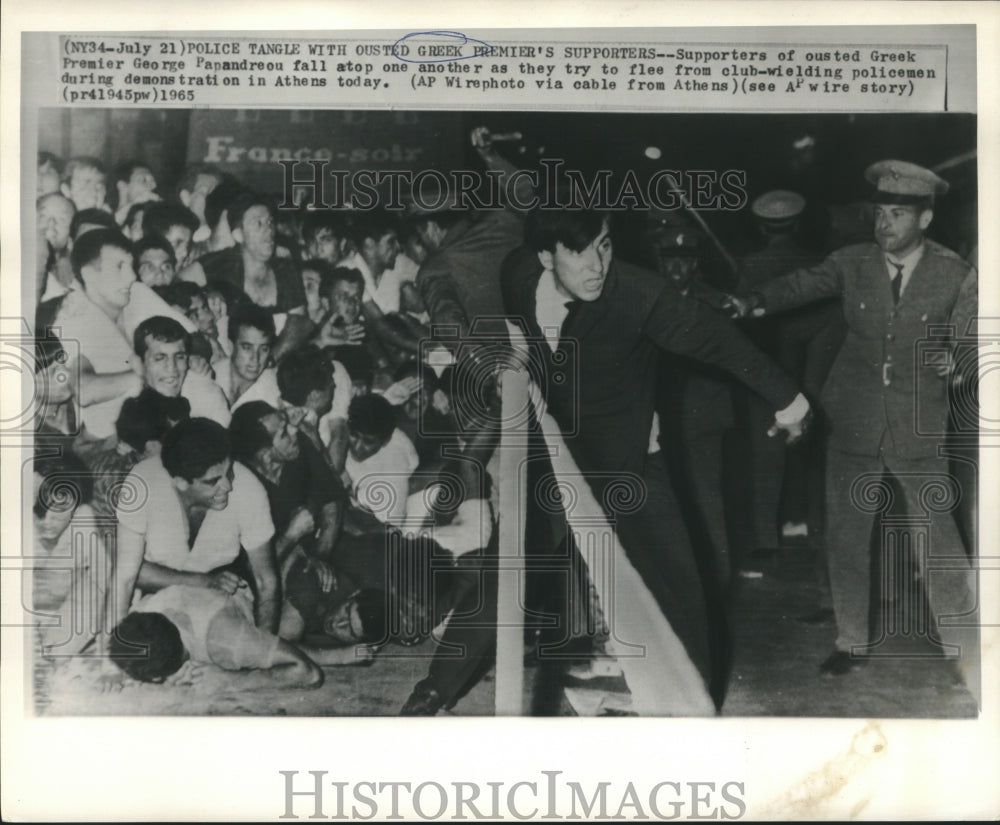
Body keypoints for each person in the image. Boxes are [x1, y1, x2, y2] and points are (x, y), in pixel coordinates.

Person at [501, 207, 810, 700]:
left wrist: (788, 399)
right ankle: (438, 686)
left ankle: (697, 699)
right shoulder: (517, 275)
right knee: (507, 566)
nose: (596, 264)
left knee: (676, 581)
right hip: (559, 453)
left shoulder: (641, 294)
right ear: (544, 257)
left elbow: (717, 340)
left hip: (631, 459)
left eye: (603, 245)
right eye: (578, 252)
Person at [726, 160, 978, 681]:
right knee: (846, 535)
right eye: (880, 212)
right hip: (854, 419)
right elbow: (800, 284)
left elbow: (975, 334)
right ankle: (852, 638)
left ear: (925, 220)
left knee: (938, 536)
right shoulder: (851, 261)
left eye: (898, 215)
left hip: (919, 422)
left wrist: (959, 359)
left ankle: (964, 645)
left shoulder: (955, 273)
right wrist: (753, 301)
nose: (884, 224)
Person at [101, 417, 281, 677]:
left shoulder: (250, 489)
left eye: (228, 473)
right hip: (160, 594)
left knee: (233, 651)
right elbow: (125, 576)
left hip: (224, 597)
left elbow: (267, 581)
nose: (227, 486)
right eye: (213, 481)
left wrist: (264, 651)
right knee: (137, 659)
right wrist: (111, 667)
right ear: (180, 482)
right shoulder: (142, 482)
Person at [107, 584, 369, 690]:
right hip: (206, 585)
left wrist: (232, 680)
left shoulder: (226, 642)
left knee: (278, 642)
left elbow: (308, 674)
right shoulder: (143, 614)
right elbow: (129, 643)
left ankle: (341, 655)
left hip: (247, 595)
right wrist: (112, 670)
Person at [185, 193, 312, 360]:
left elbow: (299, 323)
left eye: (269, 222)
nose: (268, 229)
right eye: (257, 223)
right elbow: (177, 289)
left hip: (274, 360)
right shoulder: (218, 264)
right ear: (239, 235)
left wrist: (267, 360)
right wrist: (205, 293)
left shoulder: (284, 269)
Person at [44, 228, 142, 443]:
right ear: (89, 274)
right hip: (102, 448)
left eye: (132, 266)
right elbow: (83, 389)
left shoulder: (128, 304)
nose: (132, 276)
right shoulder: (74, 320)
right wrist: (145, 376)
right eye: (119, 267)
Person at [32, 451, 110, 658]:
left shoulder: (83, 518)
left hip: (57, 614)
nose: (48, 520)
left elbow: (100, 580)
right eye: (39, 510)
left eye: (58, 510)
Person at [132, 316, 231, 426]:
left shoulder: (205, 394)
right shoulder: (127, 400)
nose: (171, 367)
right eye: (160, 358)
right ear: (139, 364)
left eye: (179, 357)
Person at [344, 393, 419, 529]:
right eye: (354, 435)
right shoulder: (343, 430)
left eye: (368, 442)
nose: (357, 447)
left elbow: (382, 531)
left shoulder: (393, 470)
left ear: (385, 440)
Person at [212, 303, 281, 411]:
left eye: (264, 349)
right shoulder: (210, 375)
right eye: (247, 347)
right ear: (230, 346)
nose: (255, 358)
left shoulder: (276, 392)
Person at [112, 161, 160, 227]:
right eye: (143, 180)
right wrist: (133, 203)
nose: (153, 185)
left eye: (153, 180)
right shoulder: (105, 213)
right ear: (122, 185)